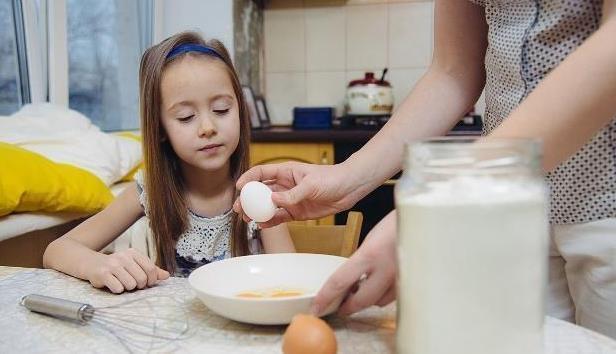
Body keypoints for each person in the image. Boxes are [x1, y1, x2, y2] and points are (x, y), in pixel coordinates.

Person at [234, 0, 616, 338]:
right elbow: (453, 71)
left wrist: (447, 208)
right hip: (509, 212)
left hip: (605, 200)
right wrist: (344, 178)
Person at [44, 31, 295, 293]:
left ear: (241, 112)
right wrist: (97, 265)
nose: (208, 127)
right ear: (160, 128)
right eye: (186, 117)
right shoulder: (149, 191)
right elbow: (56, 251)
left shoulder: (258, 192)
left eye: (221, 109)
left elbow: (291, 280)